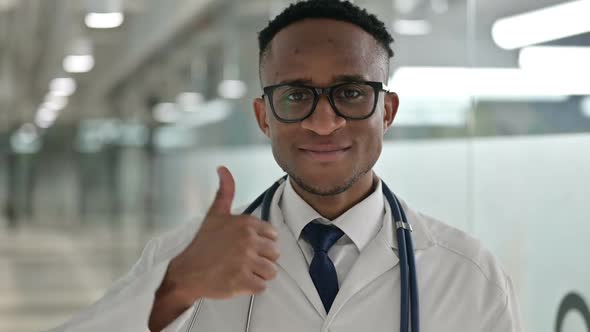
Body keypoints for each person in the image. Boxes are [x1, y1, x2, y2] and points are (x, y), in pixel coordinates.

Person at [49, 1, 522, 331]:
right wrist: (174, 288)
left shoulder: (466, 272)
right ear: (263, 117)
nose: (322, 122)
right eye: (296, 95)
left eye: (351, 93)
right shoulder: (183, 258)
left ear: (388, 111)